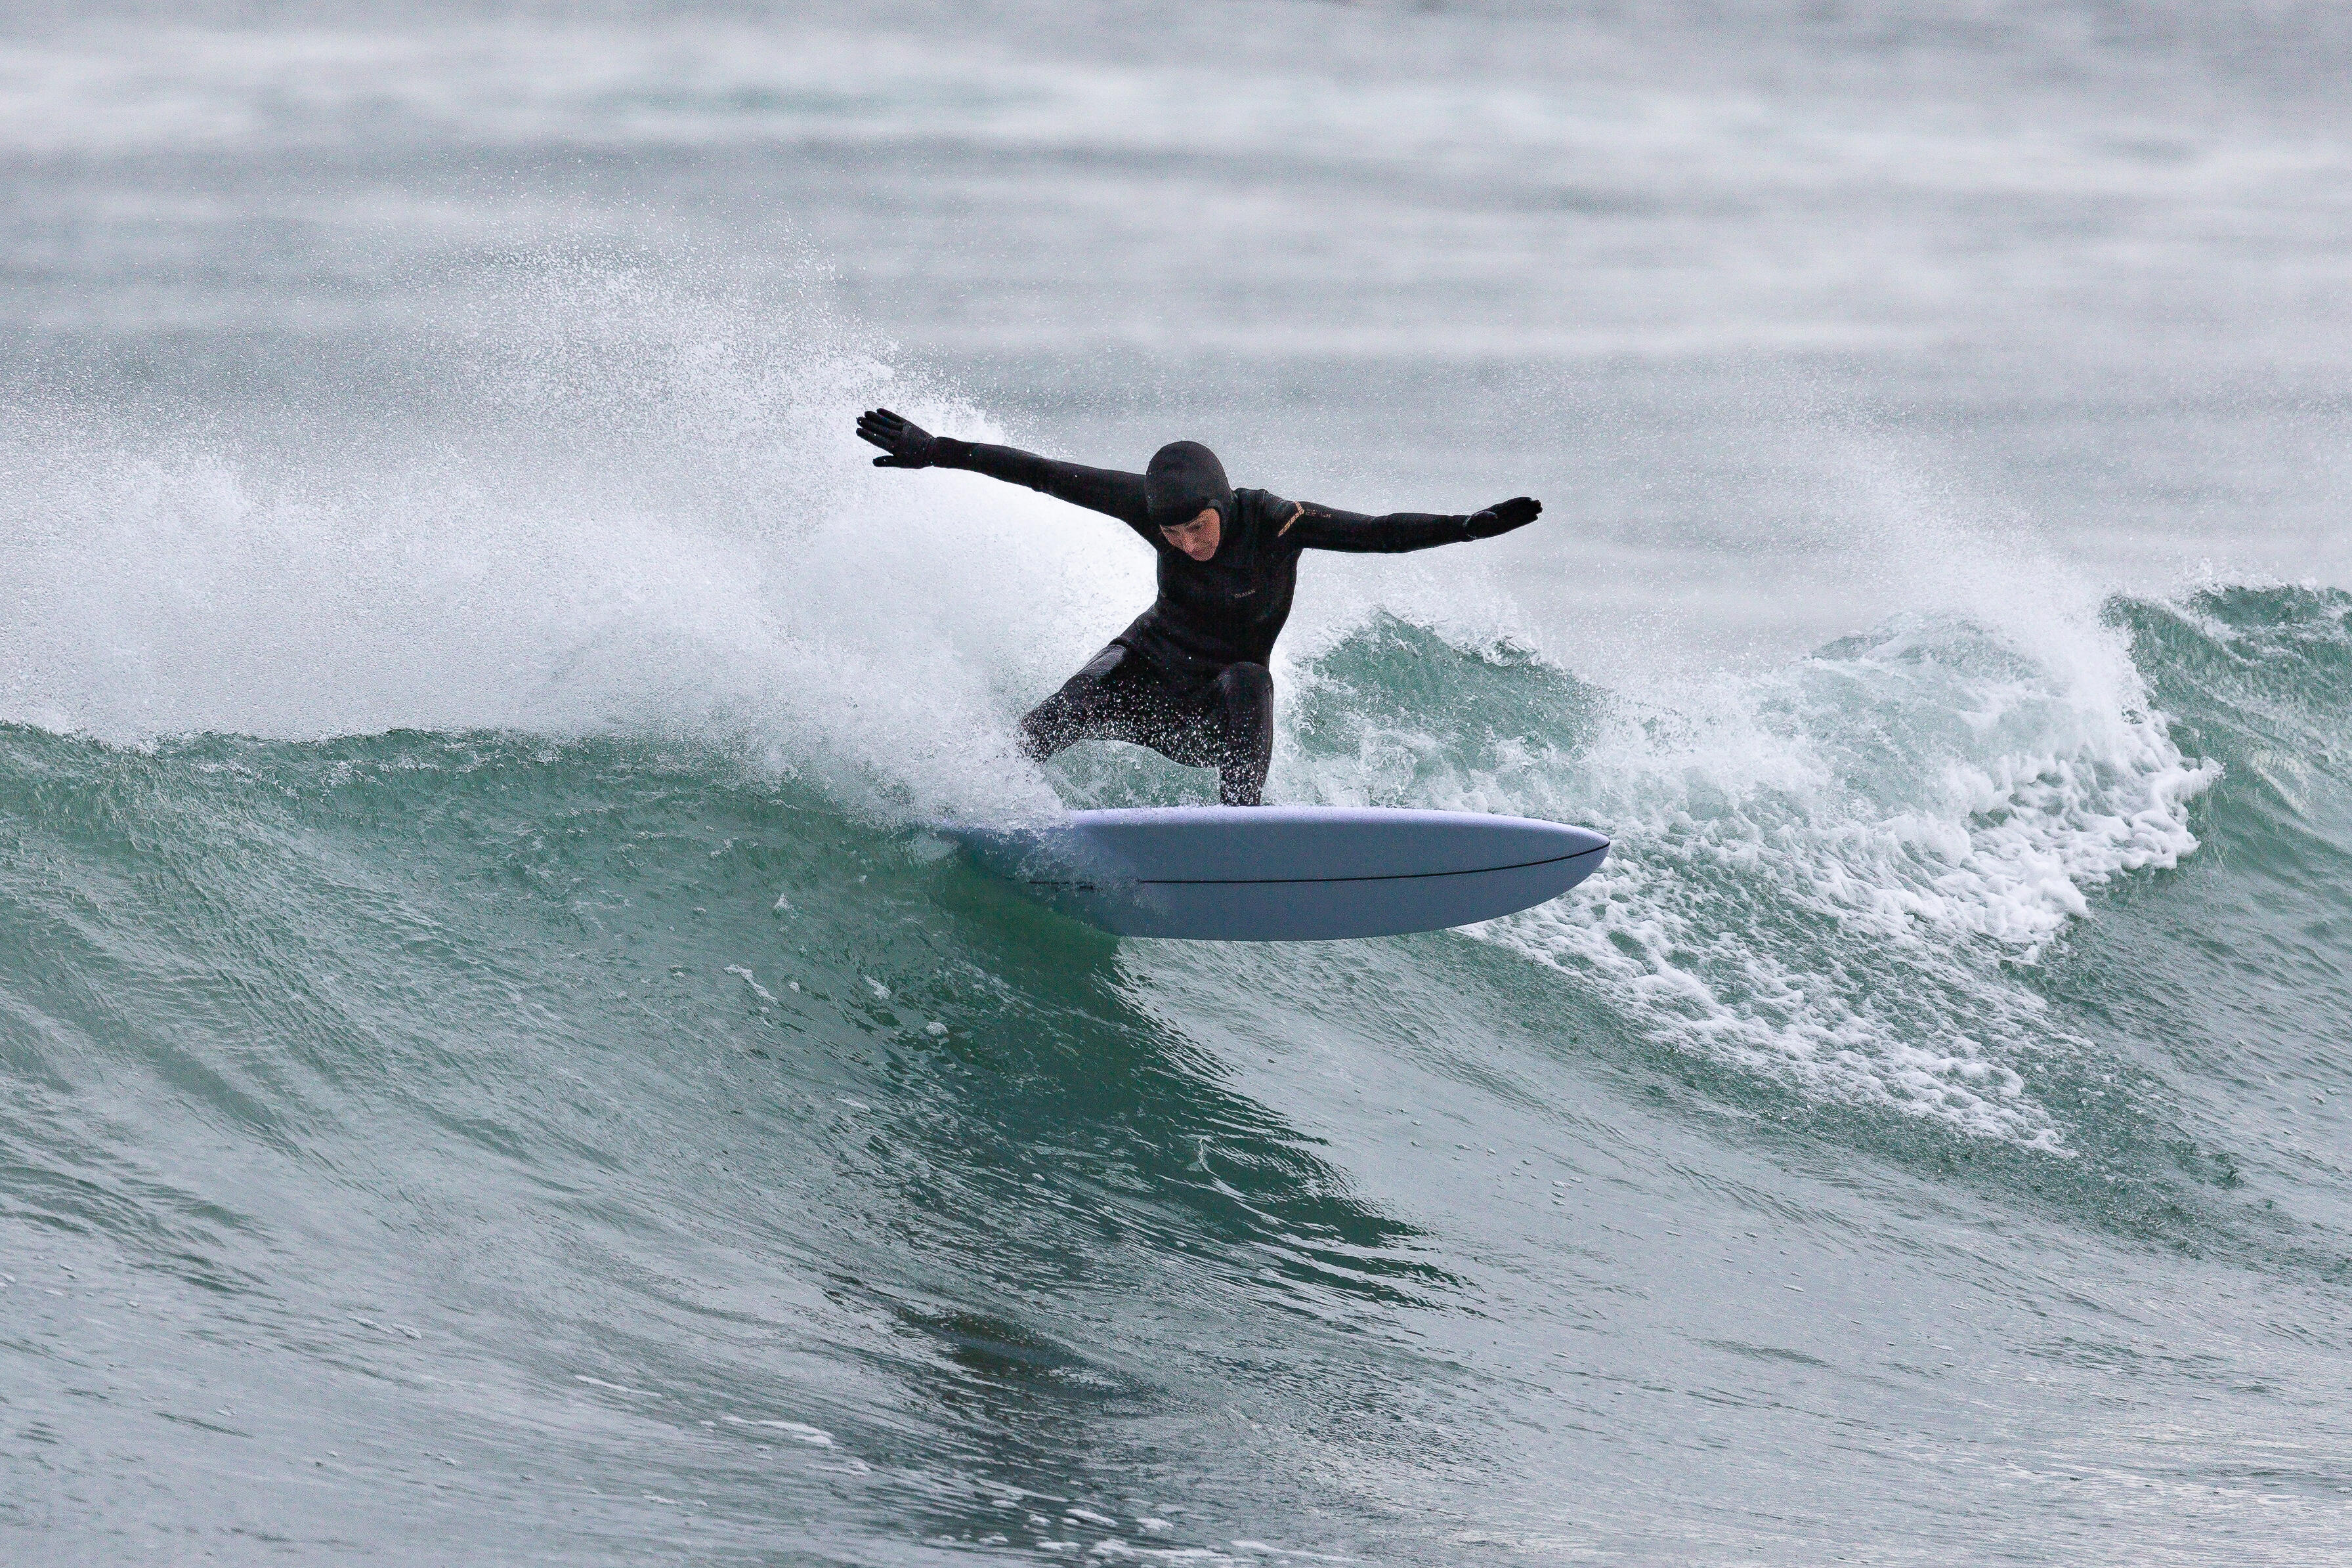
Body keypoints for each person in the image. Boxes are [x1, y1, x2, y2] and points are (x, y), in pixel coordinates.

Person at [856, 408, 1542, 806]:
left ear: (1221, 504)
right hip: (1148, 681)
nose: (1187, 543)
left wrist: (1467, 525)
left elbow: (1380, 533)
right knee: (1085, 688)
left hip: (1216, 715)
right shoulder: (1146, 505)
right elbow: (1040, 473)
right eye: (1173, 535)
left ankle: (1238, 821)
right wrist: (937, 452)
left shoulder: (1275, 521)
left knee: (1251, 677)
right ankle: (975, 793)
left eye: (1198, 528)